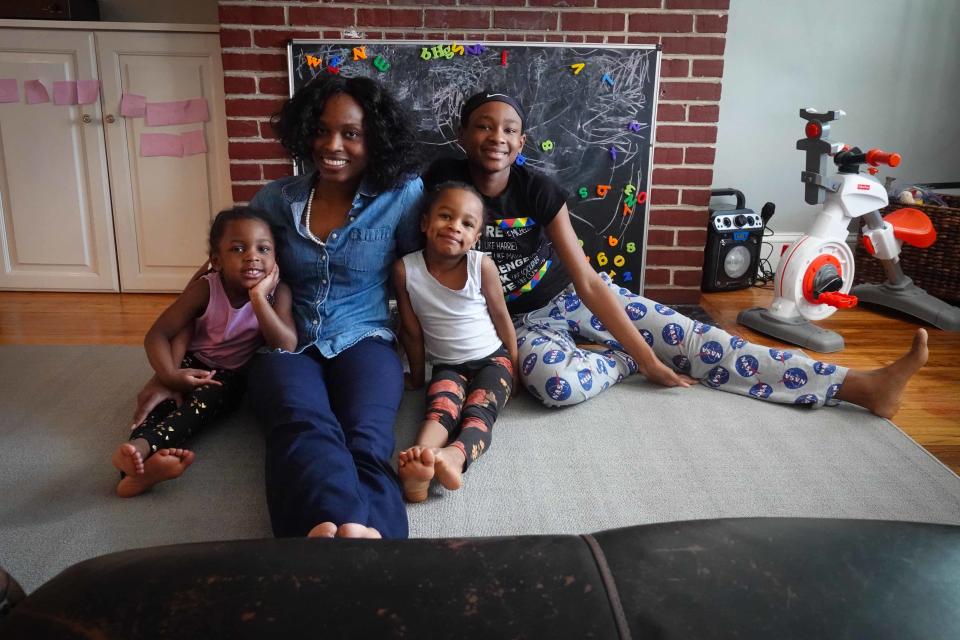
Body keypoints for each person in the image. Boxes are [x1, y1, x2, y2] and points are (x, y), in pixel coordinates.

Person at [422, 90, 928, 418]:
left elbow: (590, 283)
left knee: (696, 338)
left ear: (521, 141)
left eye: (509, 128)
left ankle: (859, 387)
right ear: (464, 134)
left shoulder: (538, 188)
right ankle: (616, 362)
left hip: (566, 300)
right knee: (555, 385)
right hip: (508, 325)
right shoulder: (438, 184)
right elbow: (416, 269)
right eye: (484, 126)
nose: (497, 137)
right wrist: (634, 362)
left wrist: (653, 359)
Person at [238, 75, 423, 539]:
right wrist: (172, 364)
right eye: (321, 130)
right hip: (288, 340)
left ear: (375, 138)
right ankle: (325, 529)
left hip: (366, 338)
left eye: (351, 133)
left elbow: (421, 277)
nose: (332, 145)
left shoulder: (402, 196)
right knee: (301, 423)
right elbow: (220, 273)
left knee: (367, 435)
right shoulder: (274, 200)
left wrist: (448, 360)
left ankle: (377, 542)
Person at [111, 207, 297, 497]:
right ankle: (134, 462)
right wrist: (170, 376)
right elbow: (157, 335)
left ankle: (141, 455)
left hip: (229, 377)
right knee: (161, 403)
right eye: (238, 248)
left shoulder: (278, 294)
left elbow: (286, 344)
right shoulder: (205, 289)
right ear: (216, 260)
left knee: (198, 408)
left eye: (263, 249)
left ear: (275, 259)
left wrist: (258, 298)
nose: (252, 256)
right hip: (188, 361)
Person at [393, 182, 518, 503]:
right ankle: (420, 460)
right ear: (424, 223)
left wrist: (514, 368)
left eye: (467, 223)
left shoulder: (481, 266)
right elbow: (411, 329)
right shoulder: (406, 269)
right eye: (445, 216)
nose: (454, 227)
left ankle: (454, 456)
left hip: (493, 360)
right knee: (440, 408)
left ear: (476, 238)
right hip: (448, 365)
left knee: (479, 410)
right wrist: (418, 375)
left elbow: (503, 319)